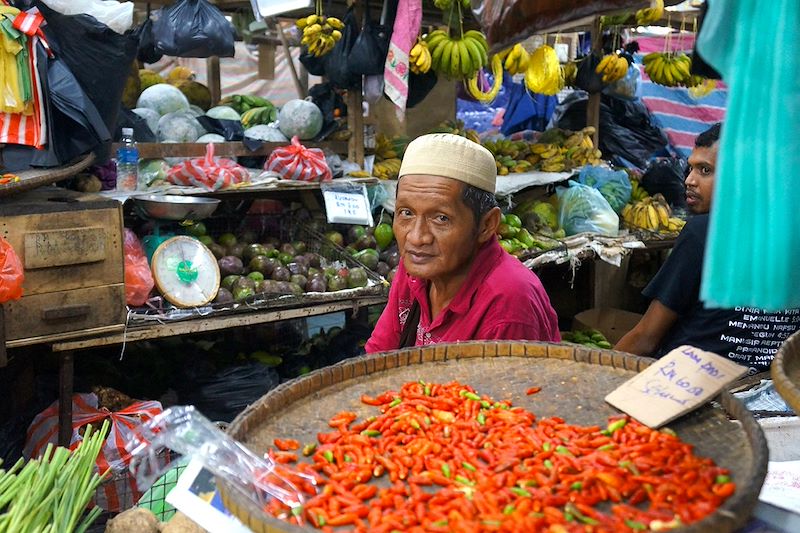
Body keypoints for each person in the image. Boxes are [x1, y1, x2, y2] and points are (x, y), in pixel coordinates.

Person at [615, 123, 800, 374]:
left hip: (687, 385)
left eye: (705, 170)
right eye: (690, 168)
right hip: (763, 387)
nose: (689, 180)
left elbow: (646, 339)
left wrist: (597, 376)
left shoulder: (705, 233)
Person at [365, 134, 560, 353]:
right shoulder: (416, 269)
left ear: (486, 225)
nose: (416, 237)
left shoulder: (509, 303)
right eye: (406, 213)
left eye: (441, 218)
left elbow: (506, 387)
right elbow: (378, 358)